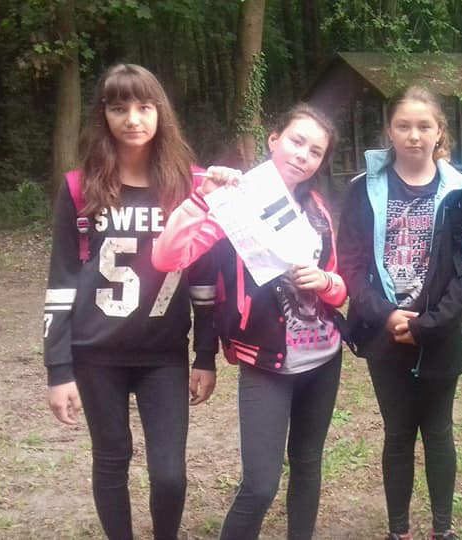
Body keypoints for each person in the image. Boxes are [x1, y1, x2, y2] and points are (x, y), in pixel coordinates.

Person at [152, 103, 346, 540]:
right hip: (265, 360)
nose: (303, 155)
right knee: (260, 486)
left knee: (308, 464)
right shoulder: (234, 200)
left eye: (315, 151)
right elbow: (168, 257)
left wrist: (327, 282)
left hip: (323, 356)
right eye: (296, 141)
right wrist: (202, 198)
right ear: (274, 139)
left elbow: (338, 286)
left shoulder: (317, 206)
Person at [43, 63, 218, 540]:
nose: (133, 119)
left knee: (169, 474)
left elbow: (204, 279)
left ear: (161, 113)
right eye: (119, 108)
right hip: (96, 353)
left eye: (144, 107)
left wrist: (205, 355)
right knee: (111, 460)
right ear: (103, 115)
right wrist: (58, 370)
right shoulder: (79, 188)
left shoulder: (188, 187)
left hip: (163, 354)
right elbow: (61, 282)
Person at [336, 86, 462, 540]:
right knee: (398, 433)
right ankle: (398, 531)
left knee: (439, 433)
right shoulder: (362, 190)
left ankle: (443, 531)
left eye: (424, 126)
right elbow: (351, 264)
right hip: (384, 334)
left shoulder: (460, 193)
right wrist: (385, 315)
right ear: (389, 130)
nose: (414, 135)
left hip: (439, 335)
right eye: (404, 125)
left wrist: (429, 325)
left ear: (440, 132)